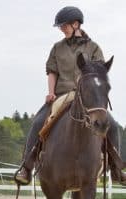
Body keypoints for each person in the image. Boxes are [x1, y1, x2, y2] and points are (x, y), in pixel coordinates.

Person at [14, 6, 126, 185]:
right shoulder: (57, 48)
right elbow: (52, 71)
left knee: (111, 124)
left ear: (76, 24)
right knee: (37, 121)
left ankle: (116, 169)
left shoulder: (94, 47)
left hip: (87, 97)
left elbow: (99, 73)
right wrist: (50, 93)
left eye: (64, 25)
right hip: (62, 95)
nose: (61, 29)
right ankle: (26, 168)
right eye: (60, 26)